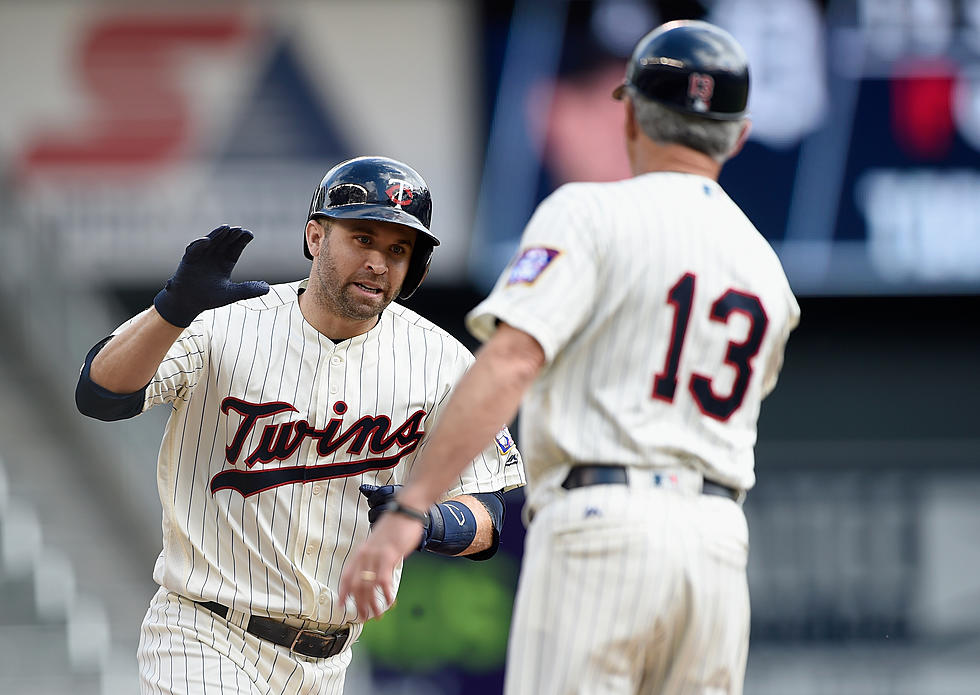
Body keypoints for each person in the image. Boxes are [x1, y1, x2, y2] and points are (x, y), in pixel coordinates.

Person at [340, 21, 800, 695]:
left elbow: (510, 362)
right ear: (738, 134)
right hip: (716, 540)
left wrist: (412, 508)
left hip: (602, 526)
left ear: (633, 113)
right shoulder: (767, 268)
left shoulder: (590, 212)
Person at [74, 155, 526, 695]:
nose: (379, 263)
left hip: (332, 659)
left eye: (397, 249)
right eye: (362, 238)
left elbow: (489, 519)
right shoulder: (223, 321)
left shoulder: (441, 359)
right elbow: (101, 395)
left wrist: (425, 523)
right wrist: (171, 311)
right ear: (315, 236)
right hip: (206, 633)